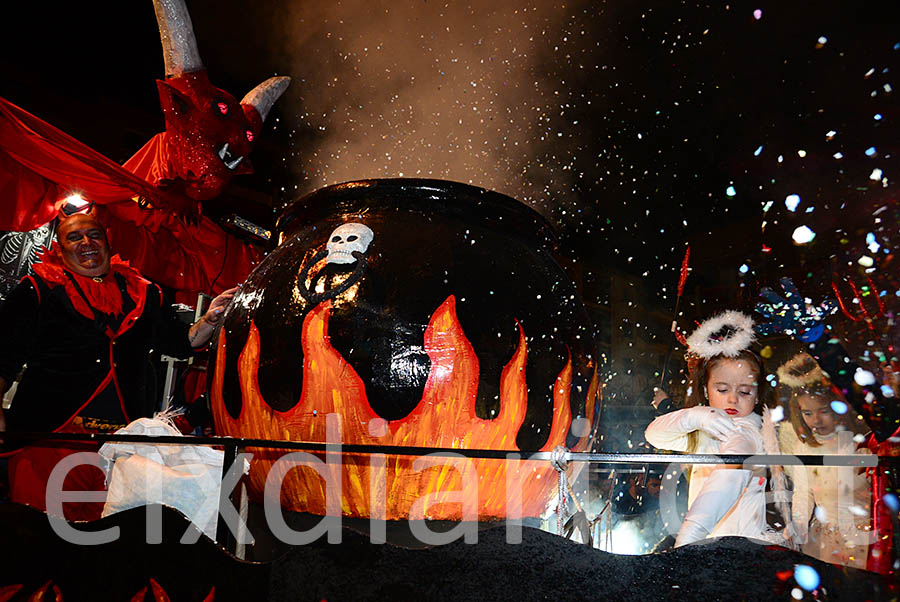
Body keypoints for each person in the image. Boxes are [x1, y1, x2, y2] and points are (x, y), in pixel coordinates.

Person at [0, 208, 237, 520]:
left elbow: (181, 343)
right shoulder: (39, 289)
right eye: (74, 237)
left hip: (120, 449)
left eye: (94, 234)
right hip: (50, 439)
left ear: (108, 242)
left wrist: (209, 320)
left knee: (104, 547)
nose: (87, 242)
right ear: (59, 248)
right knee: (39, 542)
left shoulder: (145, 292)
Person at [644, 310, 782, 547]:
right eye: (722, 389)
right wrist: (693, 417)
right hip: (711, 547)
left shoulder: (748, 433)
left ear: (758, 395)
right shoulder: (706, 427)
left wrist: (690, 536)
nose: (732, 400)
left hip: (738, 550)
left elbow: (729, 475)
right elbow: (655, 436)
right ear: (707, 391)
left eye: (744, 391)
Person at [777, 352, 873, 569]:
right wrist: (798, 523)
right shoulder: (803, 447)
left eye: (824, 411)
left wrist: (868, 465)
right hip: (824, 535)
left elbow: (870, 492)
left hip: (860, 533)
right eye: (808, 413)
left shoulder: (857, 442)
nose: (816, 420)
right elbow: (804, 492)